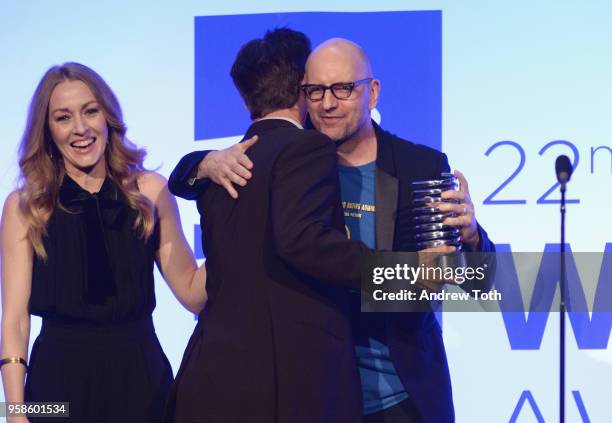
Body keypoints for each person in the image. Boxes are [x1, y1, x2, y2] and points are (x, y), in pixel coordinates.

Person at [172, 38, 496, 423]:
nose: (327, 103)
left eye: (343, 89)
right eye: (316, 91)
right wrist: (203, 163)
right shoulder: (285, 161)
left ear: (372, 92)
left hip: (398, 393)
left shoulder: (419, 166)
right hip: (310, 391)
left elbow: (477, 282)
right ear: (301, 94)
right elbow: (187, 178)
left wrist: (473, 237)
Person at [166, 29, 370, 423]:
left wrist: (199, 163)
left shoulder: (218, 167)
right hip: (291, 382)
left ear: (245, 99)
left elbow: (184, 178)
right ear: (302, 89)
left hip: (214, 379)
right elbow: (303, 242)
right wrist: (392, 271)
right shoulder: (308, 148)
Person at [0, 62, 207, 423]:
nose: (80, 129)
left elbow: (191, 291)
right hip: (55, 390)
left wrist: (239, 233)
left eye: (90, 111)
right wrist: (16, 413)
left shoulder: (150, 192)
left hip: (141, 384)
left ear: (108, 116)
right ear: (47, 130)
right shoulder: (25, 206)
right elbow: (15, 320)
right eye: (63, 118)